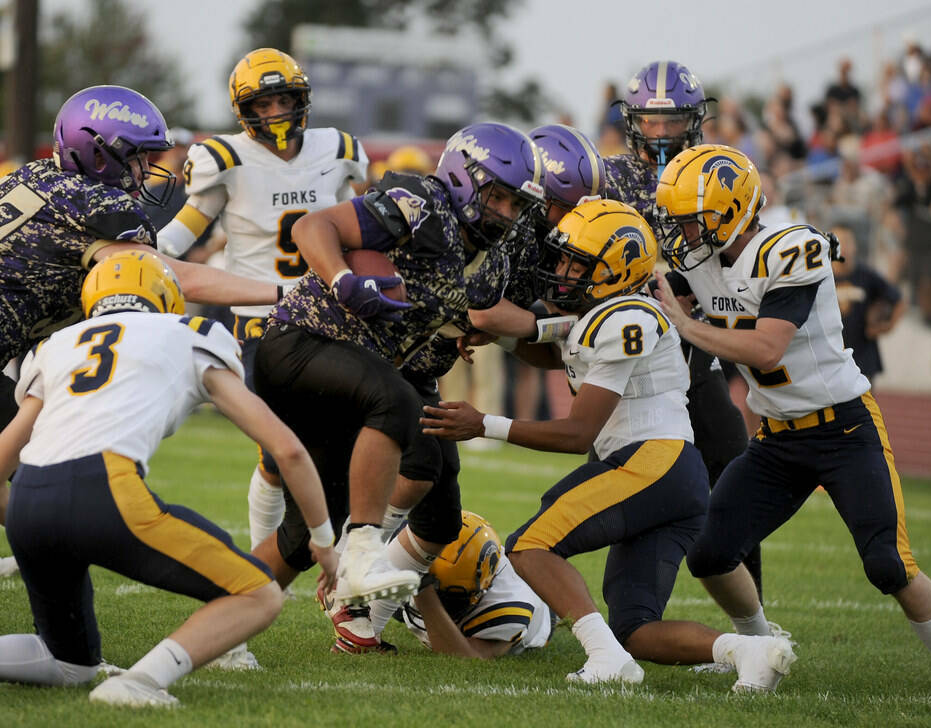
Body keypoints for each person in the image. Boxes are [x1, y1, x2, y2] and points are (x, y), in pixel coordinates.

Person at [653, 144, 931, 691]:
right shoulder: (701, 264)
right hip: (776, 441)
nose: (682, 233)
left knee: (887, 563)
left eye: (691, 220)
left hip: (845, 429)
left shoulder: (791, 248)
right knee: (711, 553)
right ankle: (761, 650)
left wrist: (686, 324)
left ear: (730, 211)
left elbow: (767, 350)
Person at [423, 199, 796, 691]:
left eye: (575, 262)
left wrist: (483, 423)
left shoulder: (627, 319)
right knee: (636, 630)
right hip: (671, 478)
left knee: (530, 546)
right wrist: (500, 336)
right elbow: (554, 346)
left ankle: (603, 658)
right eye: (561, 258)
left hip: (652, 464)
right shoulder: (609, 313)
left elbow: (577, 434)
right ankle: (748, 651)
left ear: (616, 268)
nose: (560, 270)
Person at [0, 251, 338, 707]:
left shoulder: (57, 345)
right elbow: (288, 449)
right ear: (165, 294)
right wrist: (322, 540)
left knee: (69, 664)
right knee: (259, 593)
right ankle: (139, 682)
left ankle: (110, 676)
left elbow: (4, 458)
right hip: (105, 488)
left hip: (27, 502)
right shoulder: (191, 332)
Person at [319, 124, 596, 656]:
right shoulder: (453, 214)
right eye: (563, 207)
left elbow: (505, 329)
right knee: (418, 462)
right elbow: (485, 310)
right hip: (374, 352)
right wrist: (553, 327)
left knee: (440, 508)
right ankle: (350, 569)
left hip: (421, 361)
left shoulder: (517, 236)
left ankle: (359, 613)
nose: (565, 223)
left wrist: (543, 332)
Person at [251, 122, 545, 611]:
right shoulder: (422, 203)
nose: (505, 213)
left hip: (354, 376)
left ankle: (223, 618)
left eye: (517, 204)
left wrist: (472, 333)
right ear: (464, 176)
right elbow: (312, 227)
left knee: (304, 535)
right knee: (397, 400)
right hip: (301, 344)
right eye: (498, 196)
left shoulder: (493, 261)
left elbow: (470, 315)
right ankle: (362, 554)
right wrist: (344, 279)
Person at [155, 49, 369, 555]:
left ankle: (354, 548)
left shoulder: (339, 150)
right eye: (264, 102)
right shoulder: (223, 160)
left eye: (284, 99)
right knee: (276, 454)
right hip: (262, 324)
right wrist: (135, 258)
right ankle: (263, 560)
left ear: (302, 99)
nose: (275, 112)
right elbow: (176, 240)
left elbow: (366, 229)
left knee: (349, 439)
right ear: (244, 110)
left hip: (332, 317)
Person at [0, 85, 284, 434]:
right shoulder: (97, 204)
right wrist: (283, 292)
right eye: (139, 157)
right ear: (100, 156)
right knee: (55, 460)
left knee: (29, 451)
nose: (146, 170)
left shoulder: (30, 177)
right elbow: (171, 275)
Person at [603, 61, 760, 597]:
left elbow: (742, 242)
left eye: (672, 121)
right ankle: (608, 609)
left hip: (693, 344)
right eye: (651, 121)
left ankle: (754, 614)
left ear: (695, 121)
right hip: (630, 353)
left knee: (735, 464)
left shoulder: (715, 170)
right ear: (633, 122)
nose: (662, 132)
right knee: (615, 476)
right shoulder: (612, 177)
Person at [384, 511, 552, 658]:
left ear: (484, 585)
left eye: (449, 596)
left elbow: (468, 655)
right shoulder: (408, 541)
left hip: (539, 613)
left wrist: (423, 592)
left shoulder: (511, 605)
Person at [831, 226, 906, 384]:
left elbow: (899, 300)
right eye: (837, 242)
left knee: (865, 405)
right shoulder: (820, 277)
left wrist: (888, 326)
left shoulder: (866, 275)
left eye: (846, 242)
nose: (842, 247)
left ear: (855, 246)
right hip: (831, 355)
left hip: (863, 354)